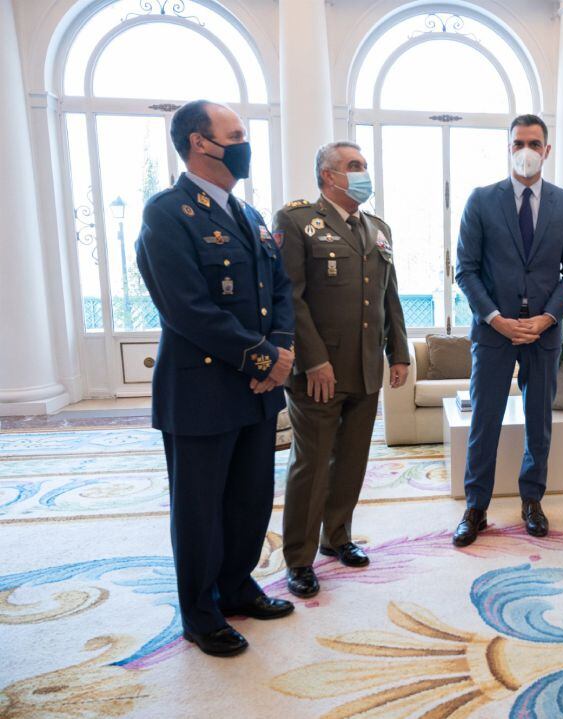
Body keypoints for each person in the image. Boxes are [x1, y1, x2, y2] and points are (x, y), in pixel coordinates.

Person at [135, 99, 296, 657]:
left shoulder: (249, 217)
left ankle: (237, 586)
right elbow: (186, 308)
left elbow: (280, 292)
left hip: (256, 390)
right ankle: (199, 613)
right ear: (201, 143)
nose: (244, 143)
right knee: (200, 508)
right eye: (236, 134)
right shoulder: (167, 213)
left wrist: (280, 350)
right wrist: (261, 358)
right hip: (202, 391)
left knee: (250, 498)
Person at [276, 142, 410, 599]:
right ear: (327, 176)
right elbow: (290, 298)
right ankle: (298, 558)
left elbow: (389, 294)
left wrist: (399, 352)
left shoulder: (378, 228)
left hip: (365, 366)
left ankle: (337, 537)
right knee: (311, 465)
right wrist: (313, 359)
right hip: (320, 370)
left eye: (365, 166)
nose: (362, 173)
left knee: (352, 460)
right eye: (353, 166)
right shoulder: (296, 222)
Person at [452, 114, 563, 546]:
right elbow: (466, 271)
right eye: (517, 143)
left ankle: (532, 500)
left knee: (538, 422)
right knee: (484, 421)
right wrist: (496, 318)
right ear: (507, 148)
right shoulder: (480, 200)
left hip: (543, 331)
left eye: (534, 143)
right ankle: (476, 508)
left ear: (547, 150)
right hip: (494, 331)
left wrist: (547, 318)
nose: (525, 151)